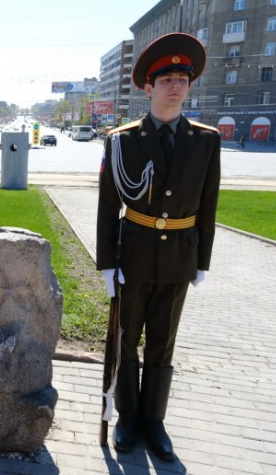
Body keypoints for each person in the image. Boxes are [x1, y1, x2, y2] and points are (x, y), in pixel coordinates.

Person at [96, 33, 220, 461]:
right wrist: (106, 264)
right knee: (128, 338)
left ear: (190, 85)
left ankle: (155, 420)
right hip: (133, 254)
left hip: (179, 257)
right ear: (148, 87)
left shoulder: (206, 139)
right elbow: (108, 205)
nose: (174, 85)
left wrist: (202, 260)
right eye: (165, 78)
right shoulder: (122, 139)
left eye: (182, 78)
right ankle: (129, 417)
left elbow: (209, 203)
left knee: (164, 342)